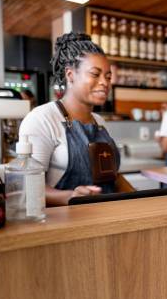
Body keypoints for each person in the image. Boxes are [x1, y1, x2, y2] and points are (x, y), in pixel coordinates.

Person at [19, 32, 122, 206]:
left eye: (108, 76)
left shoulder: (100, 122)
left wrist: (139, 196)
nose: (105, 82)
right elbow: (29, 186)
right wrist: (70, 197)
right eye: (95, 74)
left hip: (106, 216)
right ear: (70, 75)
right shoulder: (42, 119)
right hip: (64, 223)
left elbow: (112, 178)